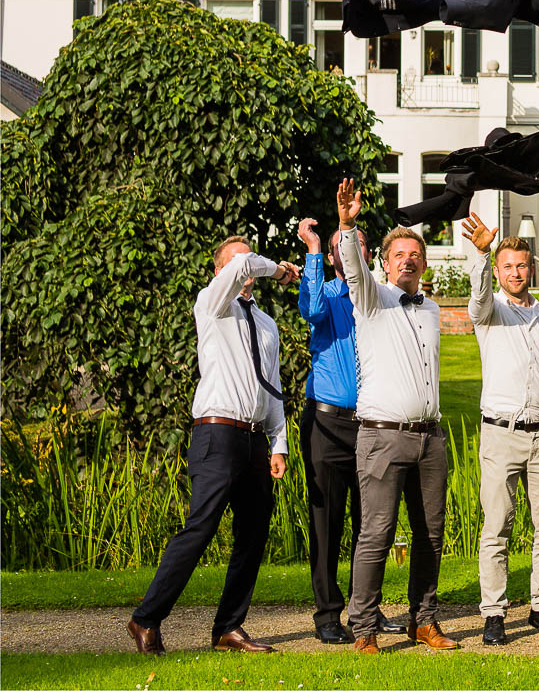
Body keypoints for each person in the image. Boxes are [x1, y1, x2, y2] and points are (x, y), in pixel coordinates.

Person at [126, 237, 298, 656]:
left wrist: (279, 443)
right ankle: (145, 618)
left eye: (248, 259)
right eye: (236, 261)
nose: (245, 268)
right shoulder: (211, 302)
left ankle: (228, 627)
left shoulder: (267, 323)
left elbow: (271, 386)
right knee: (200, 528)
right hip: (216, 433)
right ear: (220, 270)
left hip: (256, 437)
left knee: (253, 533)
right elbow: (242, 267)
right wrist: (274, 267)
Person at [335, 179, 459, 653]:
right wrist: (347, 226)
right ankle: (364, 627)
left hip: (431, 438)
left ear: (424, 262)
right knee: (376, 534)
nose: (408, 260)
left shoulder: (429, 307)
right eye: (399, 255)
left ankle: (423, 621)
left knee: (431, 535)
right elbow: (353, 270)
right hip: (383, 437)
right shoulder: (371, 299)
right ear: (385, 264)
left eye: (415, 255)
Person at [461, 211, 539, 646]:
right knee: (498, 526)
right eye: (506, 266)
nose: (515, 272)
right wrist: (482, 252)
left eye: (521, 265)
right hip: (501, 433)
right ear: (498, 270)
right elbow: (477, 299)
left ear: (531, 267)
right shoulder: (490, 313)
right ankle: (494, 613)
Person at [295, 217, 405, 644]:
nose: (351, 250)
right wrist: (313, 250)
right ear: (333, 255)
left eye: (358, 242)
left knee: (372, 524)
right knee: (327, 524)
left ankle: (367, 610)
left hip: (372, 423)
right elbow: (311, 310)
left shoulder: (379, 300)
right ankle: (327, 614)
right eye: (343, 244)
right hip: (327, 422)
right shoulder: (323, 293)